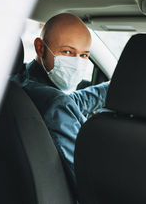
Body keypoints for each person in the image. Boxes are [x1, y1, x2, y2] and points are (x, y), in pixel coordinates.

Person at [12, 13, 109, 194]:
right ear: (40, 48)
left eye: (84, 55)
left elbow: (68, 102)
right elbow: (85, 179)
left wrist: (117, 87)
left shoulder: (17, 83)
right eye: (67, 52)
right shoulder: (54, 104)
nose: (76, 62)